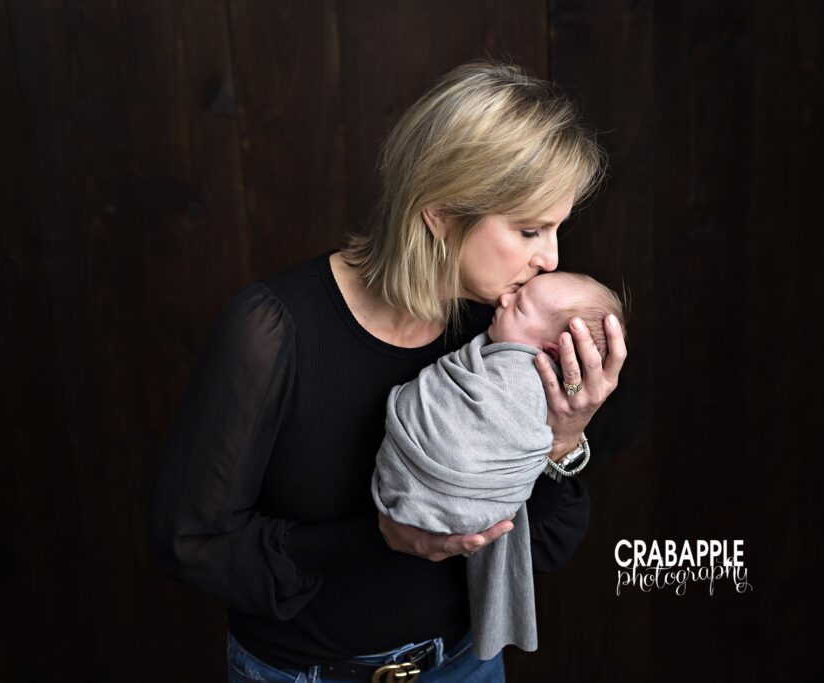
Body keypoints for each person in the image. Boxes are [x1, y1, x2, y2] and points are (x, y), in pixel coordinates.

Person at [147, 60, 626, 683]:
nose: (552, 258)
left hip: (464, 665)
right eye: (530, 229)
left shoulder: (501, 330)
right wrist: (379, 536)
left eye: (558, 228)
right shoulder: (272, 330)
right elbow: (191, 543)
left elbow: (541, 549)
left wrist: (562, 442)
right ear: (441, 213)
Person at [372, 272, 626, 661]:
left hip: (460, 656)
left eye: (520, 305)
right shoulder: (493, 335)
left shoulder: (540, 388)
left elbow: (548, 544)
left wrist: (564, 440)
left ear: (550, 350)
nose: (506, 301)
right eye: (529, 231)